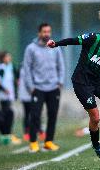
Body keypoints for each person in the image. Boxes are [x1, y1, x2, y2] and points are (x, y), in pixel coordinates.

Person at [47, 6, 100, 161]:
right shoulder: (94, 38)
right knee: (96, 117)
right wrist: (56, 44)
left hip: (96, 79)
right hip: (82, 81)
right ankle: (96, 145)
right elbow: (74, 40)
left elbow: (97, 59)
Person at [23, 23, 65, 152]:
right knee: (35, 115)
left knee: (52, 115)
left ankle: (48, 142)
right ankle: (33, 142)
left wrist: (60, 82)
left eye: (48, 31)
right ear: (39, 33)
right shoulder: (31, 48)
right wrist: (31, 86)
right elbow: (27, 68)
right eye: (44, 32)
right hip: (38, 88)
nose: (46, 34)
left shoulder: (55, 48)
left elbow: (61, 66)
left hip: (53, 88)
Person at [0, 51, 21, 145]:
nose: (10, 58)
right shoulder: (0, 68)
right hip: (2, 96)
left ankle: (6, 135)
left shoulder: (9, 66)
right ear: (3, 58)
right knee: (7, 114)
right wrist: (4, 89)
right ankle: (6, 135)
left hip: (7, 95)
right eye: (8, 57)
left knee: (8, 114)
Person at [18, 64, 46, 142]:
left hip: (34, 94)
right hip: (28, 94)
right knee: (28, 114)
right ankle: (27, 133)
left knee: (37, 113)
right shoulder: (25, 68)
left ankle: (39, 131)